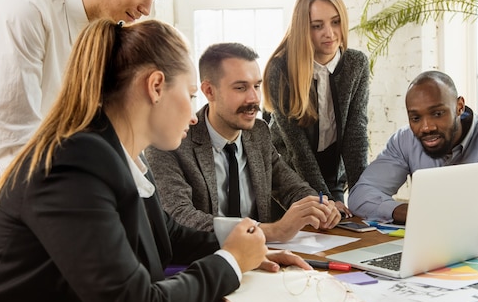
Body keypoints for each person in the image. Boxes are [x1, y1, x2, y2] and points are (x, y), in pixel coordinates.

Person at [0, 19, 310, 302]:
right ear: (156, 86)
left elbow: (167, 236)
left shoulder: (110, 154)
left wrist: (242, 249)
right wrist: (231, 262)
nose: (194, 116)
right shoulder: (73, 165)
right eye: (190, 95)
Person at [0, 0, 179, 258]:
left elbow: (101, 130)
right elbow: (15, 139)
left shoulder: (103, 38)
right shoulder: (25, 8)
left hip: (22, 170)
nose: (147, 8)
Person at [145, 43, 341, 243]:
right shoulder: (171, 142)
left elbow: (292, 187)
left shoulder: (259, 133)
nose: (254, 98)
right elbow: (180, 218)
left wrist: (317, 208)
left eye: (256, 86)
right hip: (204, 263)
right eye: (240, 88)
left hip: (264, 261)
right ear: (209, 91)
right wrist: (273, 231)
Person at [348, 70, 478, 227]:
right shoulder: (404, 141)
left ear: (459, 106)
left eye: (437, 113)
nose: (426, 127)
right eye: (416, 118)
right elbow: (360, 196)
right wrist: (405, 211)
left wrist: (444, 209)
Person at [262, 0, 370, 218]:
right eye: (317, 26)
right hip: (286, 180)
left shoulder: (356, 64)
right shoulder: (281, 69)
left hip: (332, 176)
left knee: (343, 239)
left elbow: (356, 133)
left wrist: (365, 196)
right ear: (303, 28)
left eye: (335, 22)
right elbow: (296, 146)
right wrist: (324, 199)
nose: (329, 33)